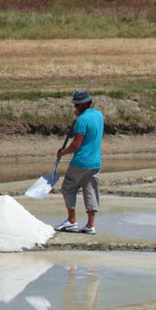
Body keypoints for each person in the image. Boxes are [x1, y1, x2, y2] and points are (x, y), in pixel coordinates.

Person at [55, 89, 104, 234]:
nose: (75, 108)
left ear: (85, 103)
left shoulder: (82, 120)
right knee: (91, 191)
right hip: (95, 162)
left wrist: (62, 153)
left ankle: (71, 221)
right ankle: (90, 225)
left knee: (68, 188)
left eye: (77, 105)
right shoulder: (99, 115)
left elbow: (76, 144)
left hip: (81, 161)